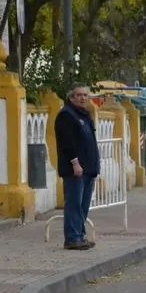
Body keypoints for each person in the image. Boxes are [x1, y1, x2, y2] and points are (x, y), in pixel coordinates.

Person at [54, 84, 101, 250]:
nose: (83, 98)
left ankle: (80, 235)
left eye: (85, 95)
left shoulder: (84, 115)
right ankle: (72, 238)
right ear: (71, 97)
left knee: (83, 204)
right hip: (76, 169)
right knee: (74, 203)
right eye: (79, 95)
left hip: (88, 168)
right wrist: (75, 163)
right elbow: (67, 143)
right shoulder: (66, 115)